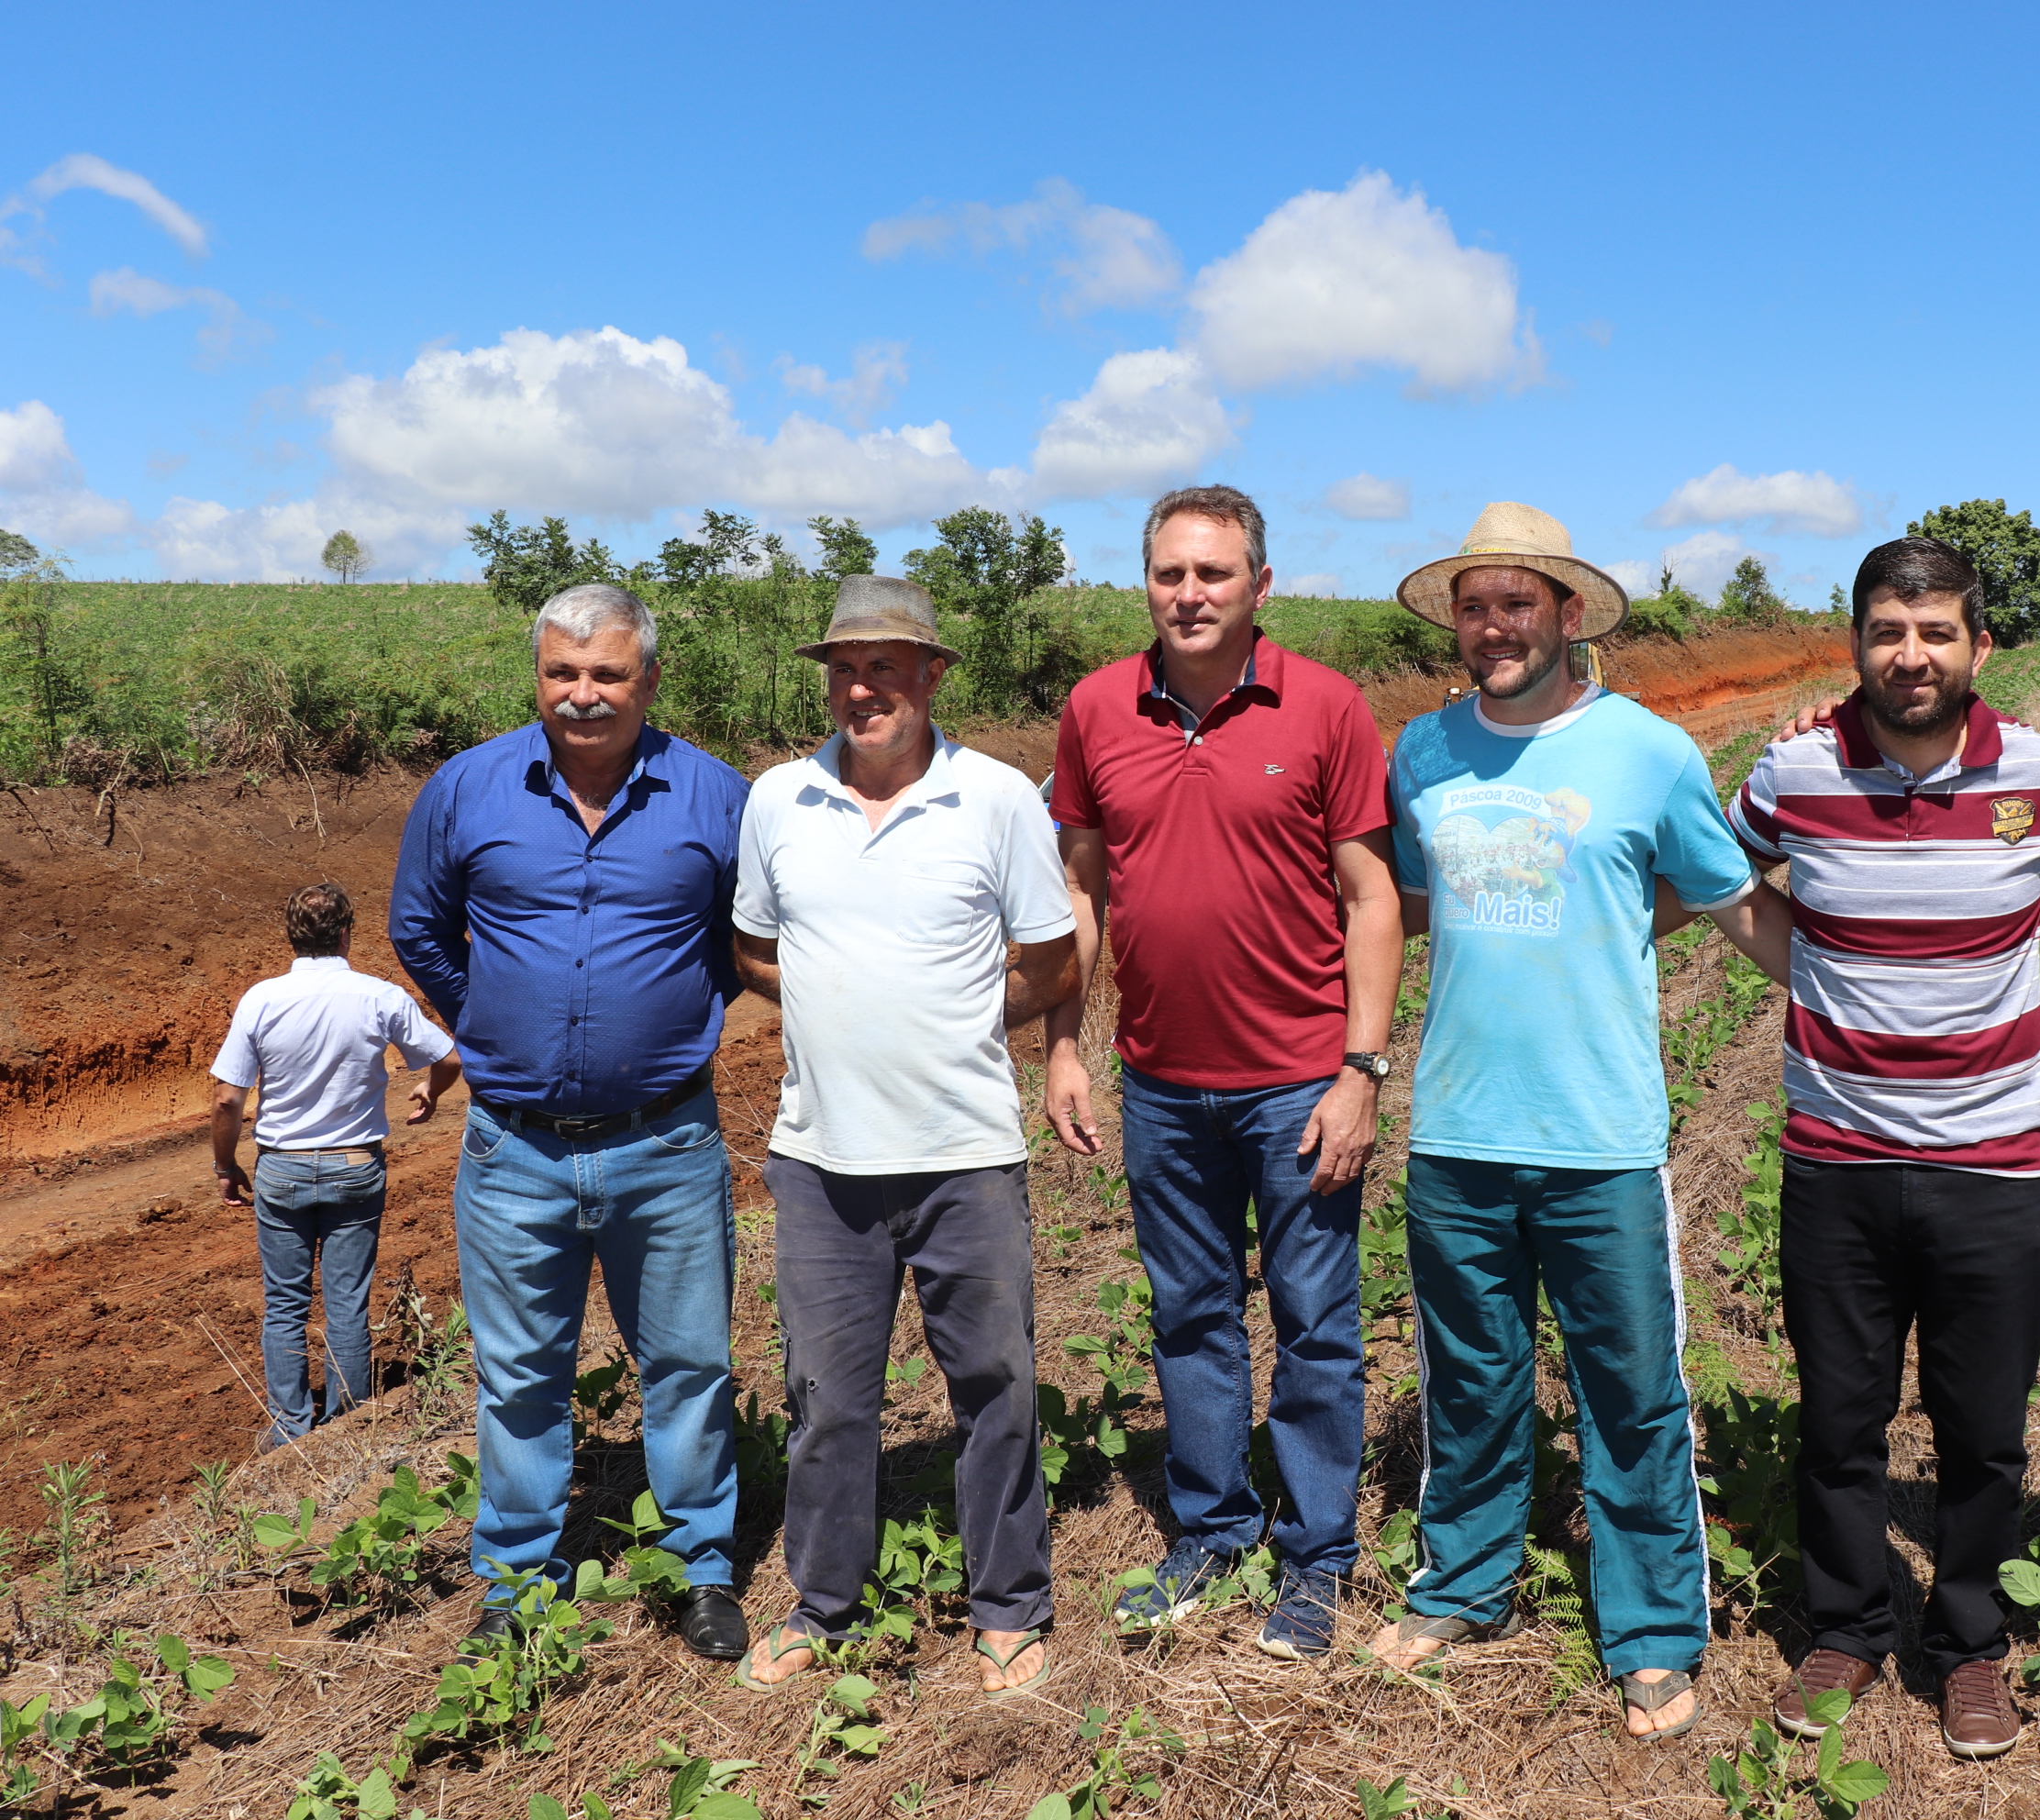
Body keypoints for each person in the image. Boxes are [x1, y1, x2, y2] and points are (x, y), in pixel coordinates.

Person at [1368, 503, 1796, 1740]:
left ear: (1568, 616)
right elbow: (1397, 912)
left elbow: (1737, 909)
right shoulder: (1424, 752)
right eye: (1473, 603)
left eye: (1516, 602)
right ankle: (1464, 1584)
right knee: (1470, 1379)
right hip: (1455, 1130)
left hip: (1601, 1139)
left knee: (1632, 1391)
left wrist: (1862, 983)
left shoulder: (1648, 753)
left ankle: (1655, 1632)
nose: (1492, 625)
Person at [1727, 537, 2040, 1761]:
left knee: (1982, 1424)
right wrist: (1808, 972)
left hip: (1991, 1160)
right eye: (1889, 630)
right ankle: (1847, 1626)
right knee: (1839, 1416)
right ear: (1856, 643)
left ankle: (1970, 1641)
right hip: (1835, 1154)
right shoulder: (1794, 770)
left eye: (1937, 630)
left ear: (1980, 647)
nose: (1912, 653)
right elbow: (1717, 875)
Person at [1042, 483, 1402, 1660]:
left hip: (1298, 1080)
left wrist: (1360, 1069)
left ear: (1260, 585)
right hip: (1159, 1082)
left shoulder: (1327, 707)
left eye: (1214, 573)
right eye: (1169, 573)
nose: (1190, 594)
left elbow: (1371, 897)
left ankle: (1317, 1557)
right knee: (1189, 1315)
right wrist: (1063, 1044)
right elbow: (1083, 891)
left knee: (1313, 1321)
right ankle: (1210, 1531)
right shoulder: (1097, 709)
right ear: (1143, 580)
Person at [726, 576, 1080, 1697]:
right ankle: (823, 1603)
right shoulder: (779, 799)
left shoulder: (999, 800)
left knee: (995, 1382)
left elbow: (1053, 955)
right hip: (823, 1156)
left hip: (967, 1149)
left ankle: (1008, 1607)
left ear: (933, 676)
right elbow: (751, 949)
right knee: (829, 1397)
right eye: (844, 666)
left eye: (887, 665)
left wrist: (964, 1018)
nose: (862, 685)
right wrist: (840, 1003)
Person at [390, 582, 753, 1662]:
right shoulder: (467, 789)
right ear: (538, 674)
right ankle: (516, 1578)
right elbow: (421, 927)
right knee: (518, 1375)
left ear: (647, 678)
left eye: (605, 674)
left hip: (667, 1143)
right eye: (562, 673)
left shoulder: (715, 796)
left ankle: (701, 1566)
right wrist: (499, 1026)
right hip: (515, 1148)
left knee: (689, 1362)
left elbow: (746, 944)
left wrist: (668, 1022)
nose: (582, 695)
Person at [211, 882, 461, 1451]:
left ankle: (290, 1425)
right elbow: (448, 1058)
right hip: (355, 1167)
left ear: (291, 936)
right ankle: (348, 1424)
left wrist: (224, 1164)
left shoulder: (261, 1000)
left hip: (282, 1169)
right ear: (348, 931)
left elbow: (228, 1100)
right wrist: (430, 1090)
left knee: (285, 1303)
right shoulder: (379, 996)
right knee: (347, 1300)